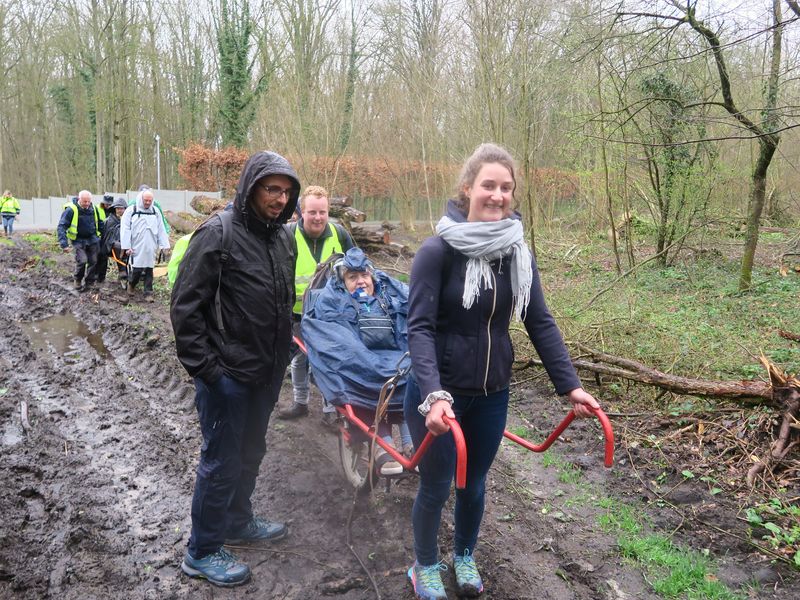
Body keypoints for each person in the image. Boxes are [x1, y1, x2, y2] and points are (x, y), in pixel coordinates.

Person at [403, 143, 601, 600]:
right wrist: (433, 394)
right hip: (440, 395)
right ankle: (425, 565)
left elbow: (539, 321)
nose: (497, 195)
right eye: (488, 185)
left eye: (506, 188)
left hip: (492, 394)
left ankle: (464, 555)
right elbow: (419, 329)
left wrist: (571, 386)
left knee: (473, 485)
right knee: (435, 485)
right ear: (468, 188)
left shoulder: (516, 254)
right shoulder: (437, 252)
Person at [170, 150, 300, 588]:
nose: (279, 199)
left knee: (251, 452)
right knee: (221, 460)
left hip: (265, 373)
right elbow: (185, 310)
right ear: (251, 187)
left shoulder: (283, 238)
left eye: (286, 191)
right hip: (226, 376)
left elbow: (282, 302)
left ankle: (238, 521)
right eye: (271, 189)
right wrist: (210, 373)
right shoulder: (217, 234)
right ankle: (202, 550)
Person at [301, 247, 414, 476]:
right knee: (370, 378)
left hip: (396, 357)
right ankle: (383, 443)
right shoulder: (332, 301)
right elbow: (334, 337)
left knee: (412, 373)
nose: (360, 281)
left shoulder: (387, 296)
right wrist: (367, 363)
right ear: (343, 282)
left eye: (364, 275)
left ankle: (411, 442)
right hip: (362, 359)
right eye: (352, 277)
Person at [277, 185, 355, 425]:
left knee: (328, 361)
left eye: (322, 212)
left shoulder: (340, 234)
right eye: (312, 212)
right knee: (299, 359)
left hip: (332, 315)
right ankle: (300, 402)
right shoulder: (288, 235)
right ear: (301, 211)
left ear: (328, 211)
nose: (318, 217)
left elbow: (357, 266)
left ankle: (330, 410)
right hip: (297, 314)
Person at [120, 189, 170, 302]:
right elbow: (125, 229)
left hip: (151, 245)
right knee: (137, 269)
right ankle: (131, 284)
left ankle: (148, 292)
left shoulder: (155, 211)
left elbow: (161, 229)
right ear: (141, 199)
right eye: (146, 200)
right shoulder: (131, 210)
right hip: (136, 246)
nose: (148, 202)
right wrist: (127, 246)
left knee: (149, 269)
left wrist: (164, 245)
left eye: (150, 200)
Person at [56, 190, 104, 291]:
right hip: (78, 240)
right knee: (82, 260)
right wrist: (64, 244)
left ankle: (89, 282)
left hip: (92, 239)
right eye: (84, 201)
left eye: (88, 201)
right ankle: (78, 279)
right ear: (79, 199)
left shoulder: (94, 209)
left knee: (94, 261)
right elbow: (61, 226)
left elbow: (100, 224)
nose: (87, 204)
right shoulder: (71, 210)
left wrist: (105, 237)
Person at [101, 198, 129, 289]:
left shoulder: (129, 219)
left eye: (121, 208)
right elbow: (108, 236)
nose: (119, 210)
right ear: (114, 209)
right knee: (119, 247)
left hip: (128, 243)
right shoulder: (109, 221)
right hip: (113, 245)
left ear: (125, 209)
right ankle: (122, 272)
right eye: (118, 208)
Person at [95, 195, 114, 283]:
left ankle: (101, 277)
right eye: (106, 204)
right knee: (96, 257)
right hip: (98, 236)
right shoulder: (97, 209)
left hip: (108, 237)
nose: (107, 206)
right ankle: (94, 275)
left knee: (104, 257)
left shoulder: (113, 211)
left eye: (109, 204)